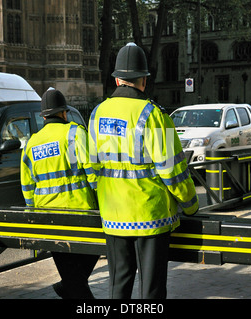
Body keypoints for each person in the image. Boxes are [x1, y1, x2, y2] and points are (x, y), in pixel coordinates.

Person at [88, 43, 199, 299]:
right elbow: (173, 171)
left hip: (113, 216)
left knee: (118, 285)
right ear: (144, 80)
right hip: (151, 217)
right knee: (152, 289)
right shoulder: (153, 115)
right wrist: (191, 205)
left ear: (117, 78)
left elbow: (91, 168)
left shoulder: (96, 114)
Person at [20, 88, 99, 299]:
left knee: (70, 272)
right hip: (81, 214)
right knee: (78, 275)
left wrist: (32, 211)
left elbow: (27, 186)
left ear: (43, 116)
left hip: (49, 217)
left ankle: (66, 287)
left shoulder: (31, 143)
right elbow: (92, 172)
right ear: (64, 113)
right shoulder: (74, 133)